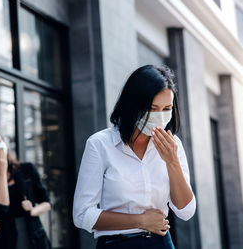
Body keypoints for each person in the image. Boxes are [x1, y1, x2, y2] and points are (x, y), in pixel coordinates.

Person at [73, 65, 196, 248]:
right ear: (133, 105)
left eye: (166, 109)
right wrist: (140, 221)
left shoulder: (172, 145)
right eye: (152, 108)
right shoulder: (100, 144)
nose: (160, 117)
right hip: (116, 244)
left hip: (161, 243)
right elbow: (82, 215)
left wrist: (172, 162)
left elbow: (186, 211)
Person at [0, 130, 52, 249]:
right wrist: (1, 172)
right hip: (5, 238)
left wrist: (32, 210)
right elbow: (1, 209)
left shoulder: (27, 169)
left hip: (33, 233)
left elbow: (47, 202)